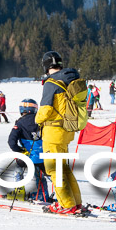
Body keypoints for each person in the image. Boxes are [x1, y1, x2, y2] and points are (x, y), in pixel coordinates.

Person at [36, 50, 85, 214]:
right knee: (64, 168)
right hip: (66, 131)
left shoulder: (51, 83)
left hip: (52, 133)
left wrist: (37, 120)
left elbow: (45, 111)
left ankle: (66, 204)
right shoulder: (71, 79)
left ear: (46, 66)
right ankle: (76, 202)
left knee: (54, 170)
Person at [7, 98, 51, 202]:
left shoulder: (20, 123)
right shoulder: (42, 121)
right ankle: (43, 195)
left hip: (28, 157)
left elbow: (11, 142)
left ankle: (19, 192)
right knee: (40, 175)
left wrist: (20, 151)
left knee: (18, 169)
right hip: (44, 157)